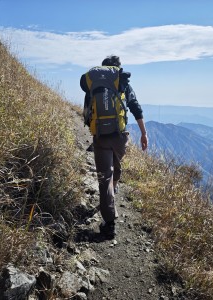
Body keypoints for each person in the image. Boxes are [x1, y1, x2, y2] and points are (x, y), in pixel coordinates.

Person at [80, 55, 148, 239]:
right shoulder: (123, 83)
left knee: (105, 179)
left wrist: (93, 128)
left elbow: (87, 111)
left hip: (101, 137)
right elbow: (135, 107)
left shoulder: (94, 85)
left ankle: (109, 223)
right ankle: (115, 187)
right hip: (120, 137)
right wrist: (144, 133)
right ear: (117, 69)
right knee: (115, 167)